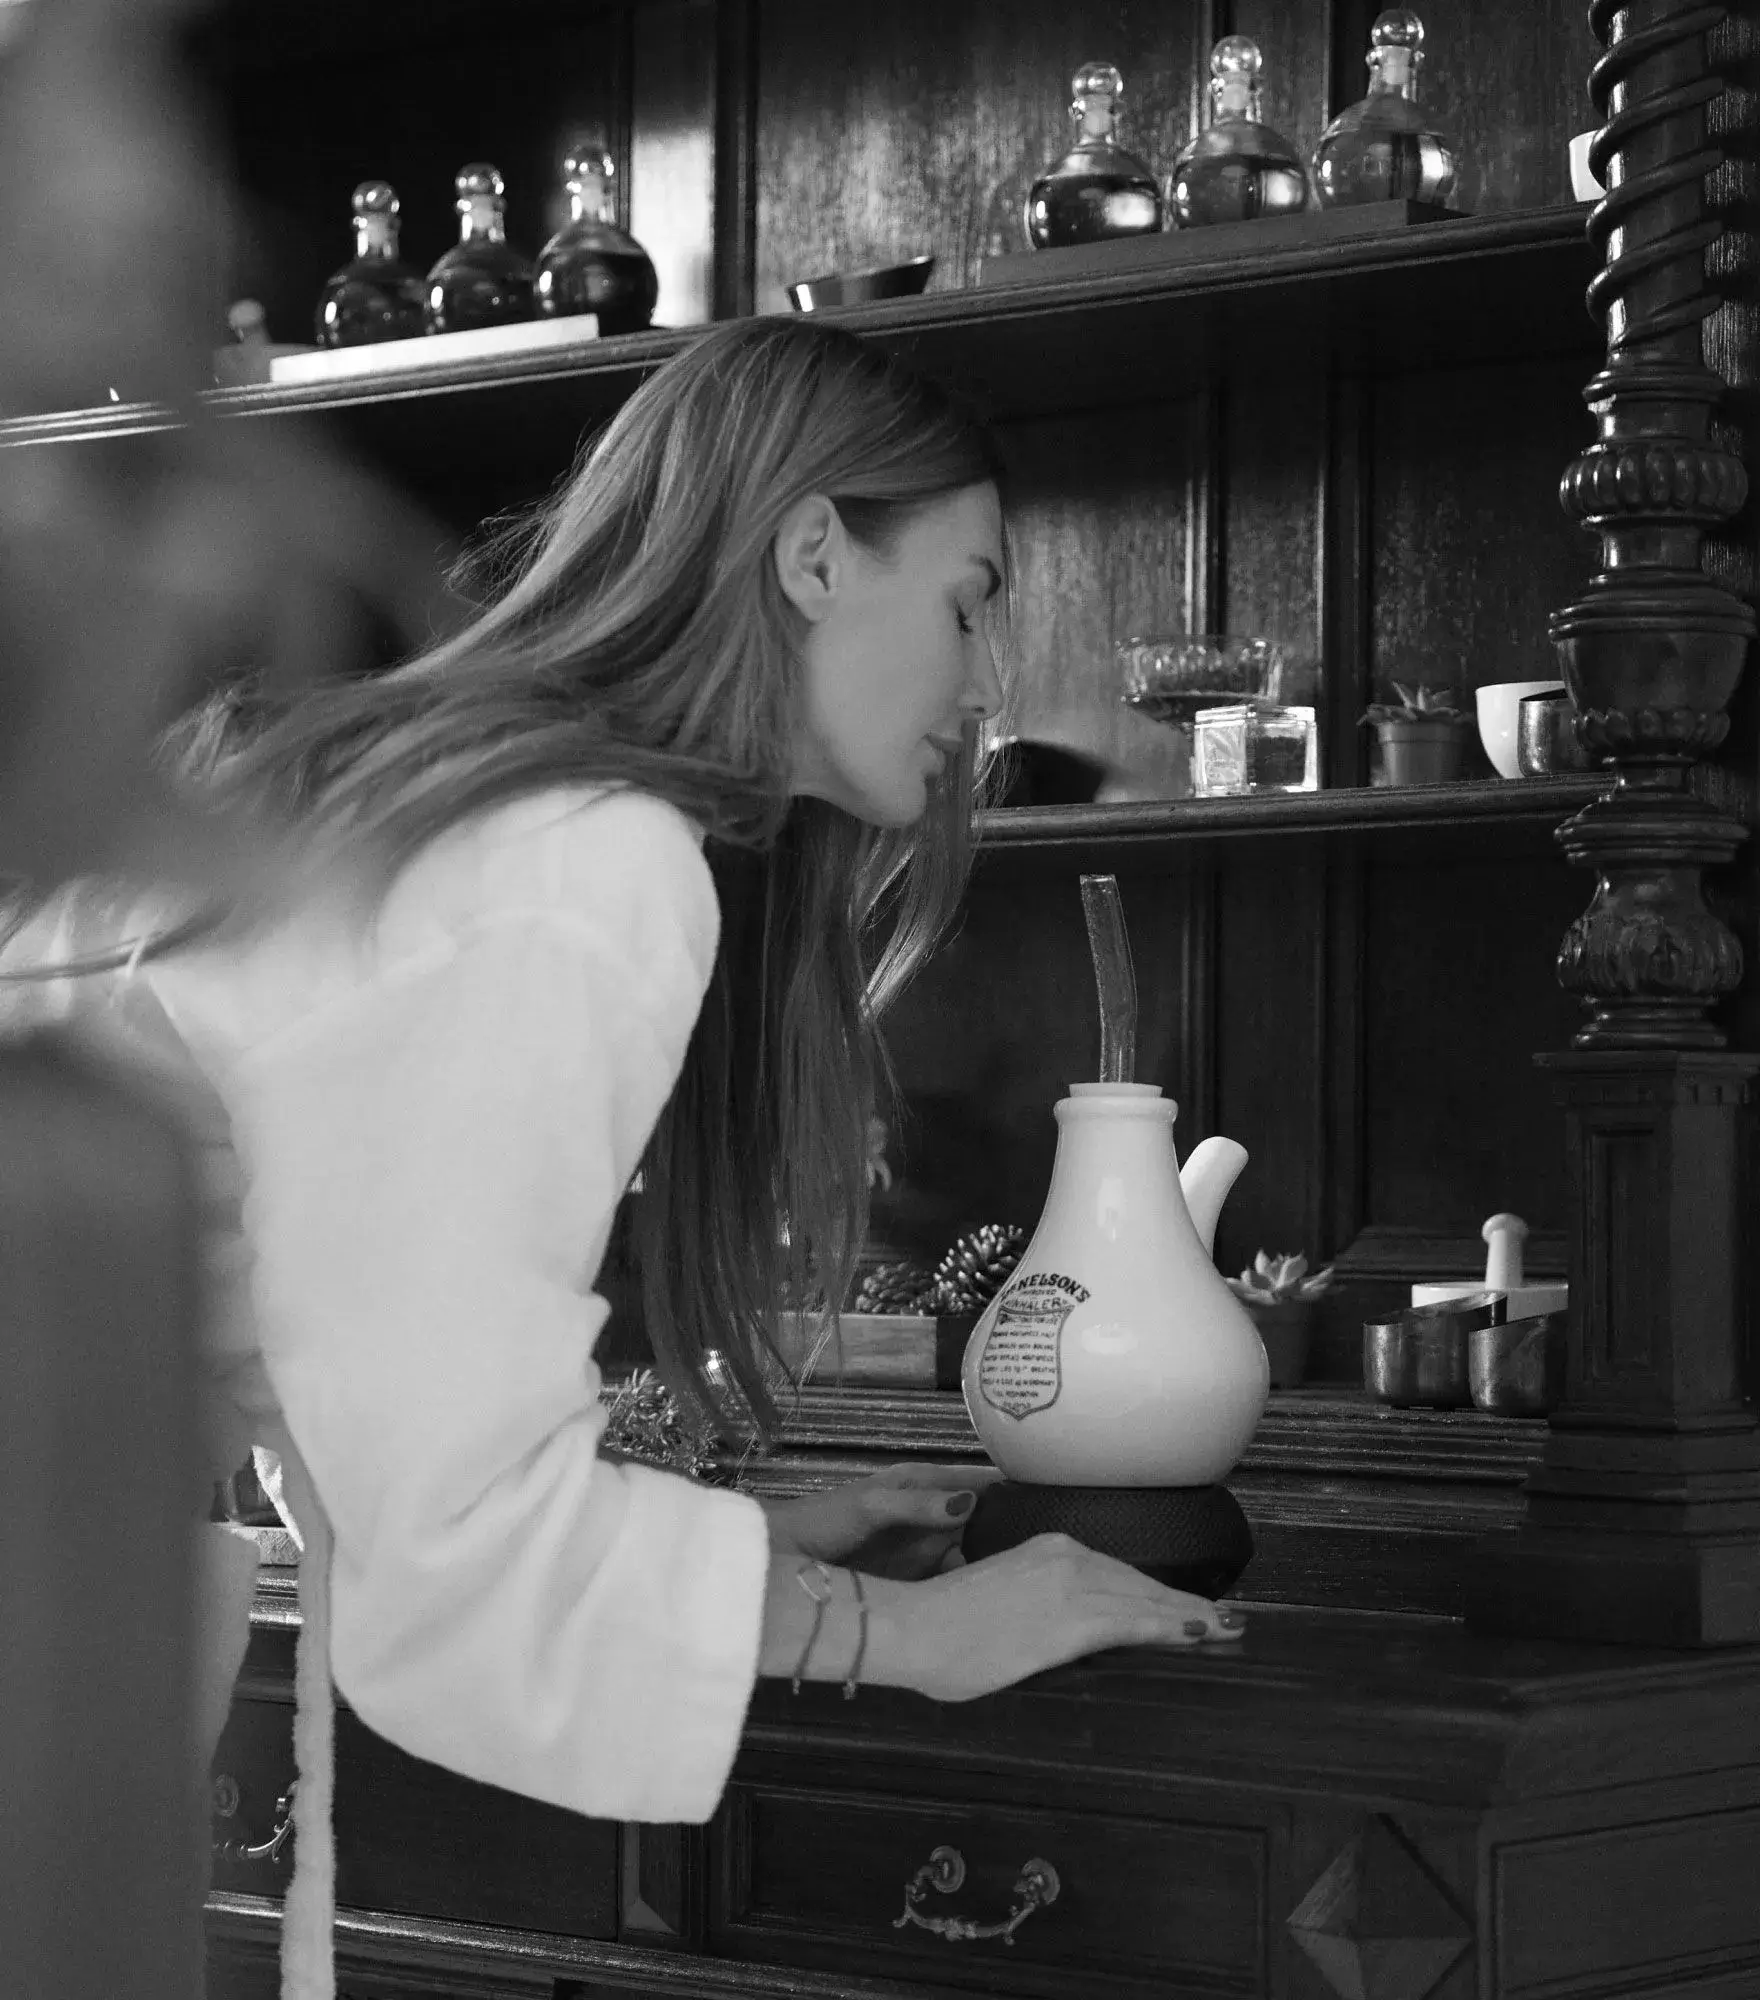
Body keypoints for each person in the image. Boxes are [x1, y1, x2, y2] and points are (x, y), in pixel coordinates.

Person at [1, 317, 1241, 1994]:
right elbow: (453, 1542)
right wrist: (908, 1635)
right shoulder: (578, 862)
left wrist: (732, 1567)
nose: (979, 682)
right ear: (814, 553)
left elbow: (344, 1384)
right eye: (964, 600)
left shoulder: (436, 793)